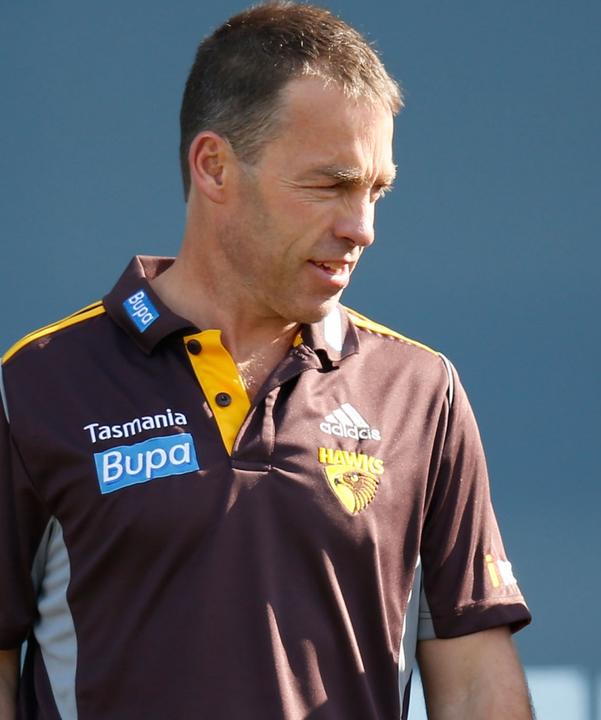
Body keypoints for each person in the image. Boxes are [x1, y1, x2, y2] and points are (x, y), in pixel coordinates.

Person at [0, 4, 532, 718]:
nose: (363, 227)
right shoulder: (38, 383)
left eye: (377, 190)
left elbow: (473, 684)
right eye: (329, 184)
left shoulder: (419, 392)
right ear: (215, 166)